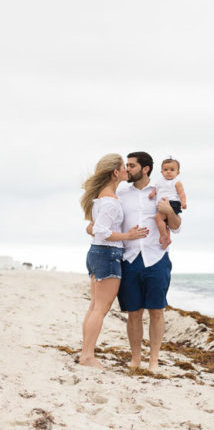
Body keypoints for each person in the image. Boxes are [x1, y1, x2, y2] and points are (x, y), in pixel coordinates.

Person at [79, 153, 149, 369]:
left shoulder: (103, 197)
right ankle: (88, 356)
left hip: (98, 253)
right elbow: (100, 231)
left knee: (94, 307)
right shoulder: (110, 200)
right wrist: (128, 236)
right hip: (107, 254)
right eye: (123, 167)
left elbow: (93, 228)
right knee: (100, 308)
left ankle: (86, 352)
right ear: (115, 173)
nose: (127, 170)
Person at [118, 151, 181, 372]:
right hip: (129, 258)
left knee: (157, 310)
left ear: (145, 169)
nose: (127, 169)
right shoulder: (121, 194)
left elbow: (176, 226)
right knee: (133, 312)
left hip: (157, 257)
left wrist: (168, 212)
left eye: (131, 166)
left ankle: (153, 361)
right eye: (126, 165)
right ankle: (136, 360)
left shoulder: (162, 190)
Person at [148, 158, 187, 248]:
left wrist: (183, 202)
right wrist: (152, 194)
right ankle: (167, 240)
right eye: (165, 170)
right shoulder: (159, 181)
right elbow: (156, 189)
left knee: (158, 217)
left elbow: (181, 193)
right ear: (161, 172)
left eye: (172, 170)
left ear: (178, 172)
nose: (168, 172)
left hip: (172, 203)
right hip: (161, 205)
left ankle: (163, 235)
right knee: (164, 224)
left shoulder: (176, 182)